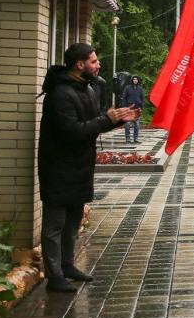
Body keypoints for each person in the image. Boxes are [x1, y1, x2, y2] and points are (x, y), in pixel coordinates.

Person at [39, 43, 140, 293]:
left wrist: (114, 120)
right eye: (94, 61)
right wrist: (107, 119)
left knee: (73, 218)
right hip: (58, 166)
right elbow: (72, 132)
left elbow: (93, 125)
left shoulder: (88, 89)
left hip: (80, 165)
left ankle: (67, 265)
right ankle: (54, 276)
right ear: (79, 64)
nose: (98, 65)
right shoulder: (60, 93)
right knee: (55, 223)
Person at [121, 75, 145, 144]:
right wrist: (125, 107)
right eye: (134, 79)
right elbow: (124, 97)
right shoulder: (127, 88)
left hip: (137, 108)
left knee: (137, 125)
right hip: (129, 108)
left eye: (136, 79)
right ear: (132, 80)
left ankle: (136, 139)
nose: (135, 80)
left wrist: (141, 106)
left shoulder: (140, 88)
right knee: (127, 124)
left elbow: (143, 98)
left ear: (138, 81)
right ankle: (128, 139)